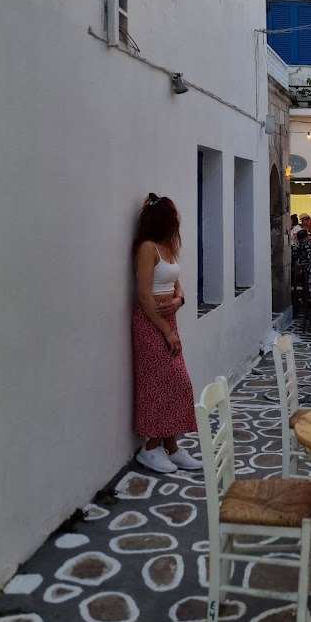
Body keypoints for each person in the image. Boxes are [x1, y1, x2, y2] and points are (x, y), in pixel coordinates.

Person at [131, 193, 201, 474]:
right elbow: (144, 295)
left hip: (169, 319)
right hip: (151, 323)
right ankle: (150, 448)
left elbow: (177, 284)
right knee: (160, 383)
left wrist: (179, 300)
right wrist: (166, 332)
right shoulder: (148, 248)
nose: (177, 222)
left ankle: (171, 447)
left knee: (175, 383)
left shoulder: (168, 247)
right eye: (173, 218)